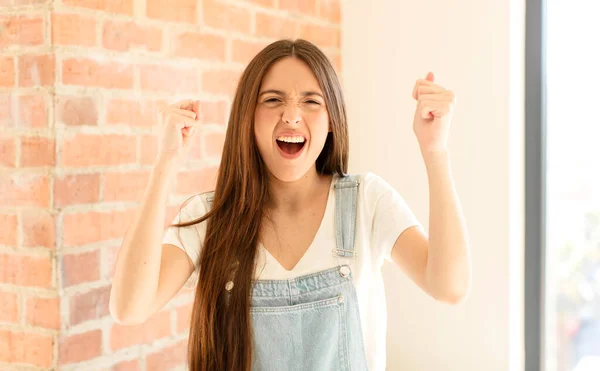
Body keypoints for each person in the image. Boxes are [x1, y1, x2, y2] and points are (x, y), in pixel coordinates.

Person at [109, 38, 471, 371]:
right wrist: (165, 162)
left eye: (311, 101)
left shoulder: (367, 201)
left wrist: (435, 151)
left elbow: (449, 286)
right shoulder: (210, 219)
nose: (292, 115)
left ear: (332, 121)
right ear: (247, 119)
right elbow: (129, 307)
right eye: (272, 99)